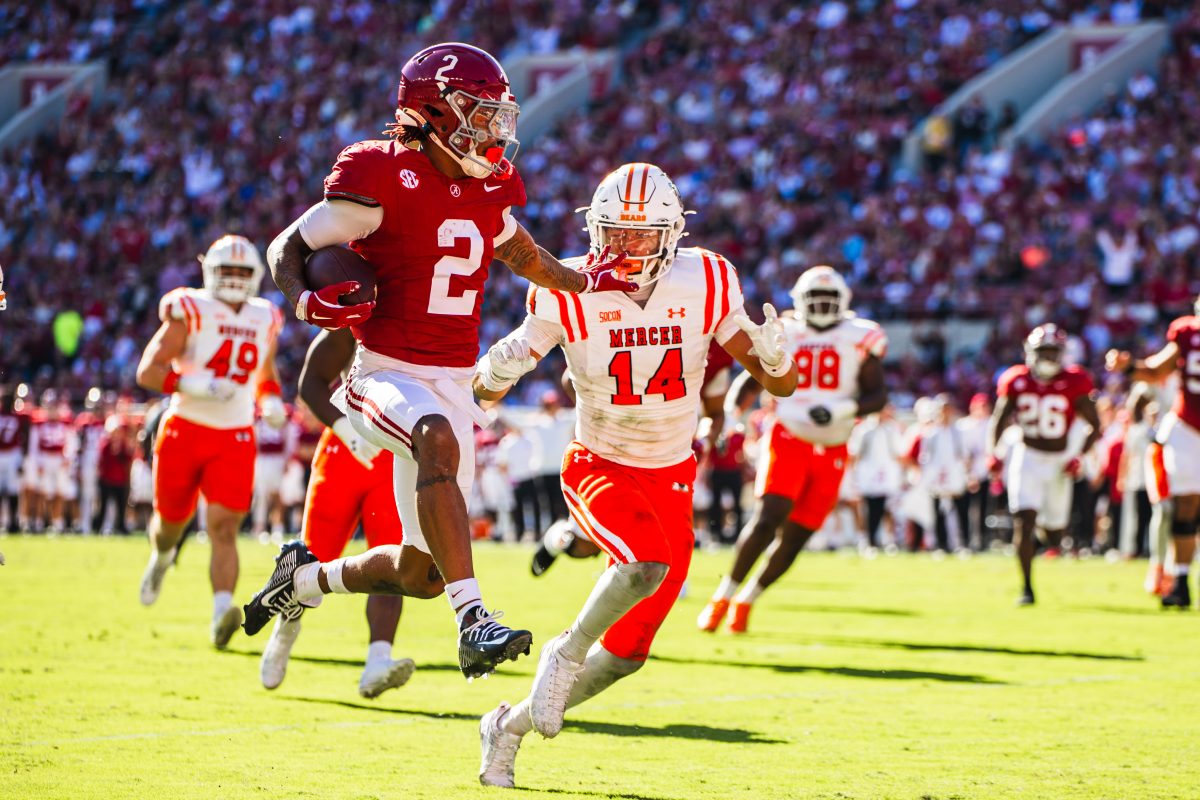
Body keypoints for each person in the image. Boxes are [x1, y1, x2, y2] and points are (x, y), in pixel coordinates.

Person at [241, 42, 635, 680]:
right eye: (476, 114)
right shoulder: (378, 175)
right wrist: (303, 299)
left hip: (451, 379)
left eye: (495, 115)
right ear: (429, 111)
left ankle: (303, 580)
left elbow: (524, 255)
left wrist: (584, 281)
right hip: (383, 371)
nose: (491, 129)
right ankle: (475, 620)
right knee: (435, 438)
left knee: (417, 574)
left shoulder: (488, 186)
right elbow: (291, 244)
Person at [472, 162, 797, 787]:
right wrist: (499, 366)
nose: (625, 248)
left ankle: (505, 729)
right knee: (641, 565)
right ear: (594, 230)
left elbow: (777, 381)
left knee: (626, 655)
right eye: (614, 234)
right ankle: (563, 654)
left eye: (641, 236)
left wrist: (778, 362)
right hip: (600, 461)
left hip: (672, 473)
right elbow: (492, 381)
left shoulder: (705, 278)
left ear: (671, 235)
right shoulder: (566, 284)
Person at [698, 266, 888, 634]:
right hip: (789, 433)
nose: (820, 306)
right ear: (800, 301)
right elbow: (752, 376)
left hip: (834, 443)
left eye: (827, 299)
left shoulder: (861, 335)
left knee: (798, 534)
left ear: (843, 302)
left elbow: (878, 395)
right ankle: (722, 596)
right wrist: (734, 414)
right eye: (813, 299)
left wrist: (842, 408)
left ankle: (747, 599)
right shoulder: (785, 330)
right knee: (770, 515)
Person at [135, 234, 287, 648]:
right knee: (170, 524)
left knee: (224, 528)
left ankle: (222, 611)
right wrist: (191, 383)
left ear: (254, 275)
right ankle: (163, 557)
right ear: (210, 273)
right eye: (228, 271)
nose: (236, 279)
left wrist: (271, 399)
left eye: (242, 272)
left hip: (235, 435)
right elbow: (147, 372)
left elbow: (265, 373)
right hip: (186, 427)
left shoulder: (265, 316)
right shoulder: (190, 309)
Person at [259, 327, 415, 697]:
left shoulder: (434, 317)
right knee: (310, 559)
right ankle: (286, 631)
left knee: (394, 561)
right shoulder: (359, 317)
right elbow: (310, 383)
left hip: (397, 453)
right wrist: (347, 430)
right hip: (347, 447)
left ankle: (378, 659)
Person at [990, 324, 1101, 606]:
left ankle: (1039, 540)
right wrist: (995, 452)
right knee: (1022, 520)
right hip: (1026, 456)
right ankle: (1026, 588)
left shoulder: (1075, 380)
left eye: (1053, 352)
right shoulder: (1016, 379)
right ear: (1031, 351)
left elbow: (1095, 425)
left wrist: (1080, 456)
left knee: (1054, 535)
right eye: (1043, 351)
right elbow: (1000, 419)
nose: (1048, 357)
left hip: (1058, 462)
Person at [1108, 300, 1200, 608]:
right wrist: (1129, 367)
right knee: (1182, 508)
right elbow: (1157, 369)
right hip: (1187, 427)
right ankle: (1181, 581)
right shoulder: (1186, 333)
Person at [0, 387, 26, 533]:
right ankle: (10, 522)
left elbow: (22, 439)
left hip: (12, 454)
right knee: (10, 491)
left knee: (13, 491)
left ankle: (13, 521)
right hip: (7, 454)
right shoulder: (18, 417)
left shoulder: (19, 417)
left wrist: (20, 459)